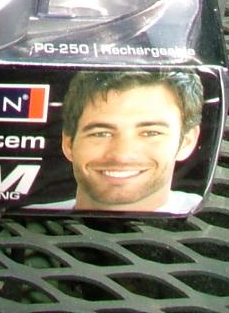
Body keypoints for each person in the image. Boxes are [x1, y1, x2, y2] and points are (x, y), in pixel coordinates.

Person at [31, 69, 204, 214]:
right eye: (101, 134)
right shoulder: (29, 220)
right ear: (68, 144)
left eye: (150, 133)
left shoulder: (206, 215)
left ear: (187, 142)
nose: (122, 156)